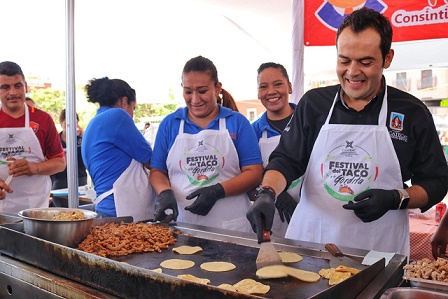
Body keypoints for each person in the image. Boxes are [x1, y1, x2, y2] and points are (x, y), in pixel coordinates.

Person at [246, 8, 448, 257]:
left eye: (365, 62)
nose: (352, 72)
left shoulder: (412, 112)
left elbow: (436, 181)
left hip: (379, 248)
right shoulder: (314, 104)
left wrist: (396, 198)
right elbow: (287, 160)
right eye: (344, 61)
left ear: (387, 58)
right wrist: (267, 193)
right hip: (312, 242)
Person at [150, 56, 263, 232]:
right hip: (182, 224)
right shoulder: (170, 124)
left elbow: (254, 172)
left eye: (202, 91)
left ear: (217, 88)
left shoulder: (237, 122)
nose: (195, 99)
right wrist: (164, 191)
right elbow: (157, 171)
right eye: (188, 91)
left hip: (230, 226)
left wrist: (218, 191)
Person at [81, 77, 154, 221]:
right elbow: (151, 161)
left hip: (106, 210)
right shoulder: (117, 116)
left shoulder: (93, 124)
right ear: (124, 101)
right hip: (119, 212)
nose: (132, 115)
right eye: (133, 109)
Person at [0, 61, 66, 213]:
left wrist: (34, 168)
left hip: (35, 207)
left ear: (26, 87)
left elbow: (60, 162)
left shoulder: (43, 119)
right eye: (5, 87)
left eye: (18, 86)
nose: (13, 92)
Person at [251, 62, 300, 237]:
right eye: (263, 87)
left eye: (278, 84)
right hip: (272, 217)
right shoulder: (253, 131)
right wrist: (274, 195)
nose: (271, 91)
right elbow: (248, 177)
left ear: (290, 87)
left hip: (309, 215)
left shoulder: (308, 123)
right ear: (258, 93)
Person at [51, 109, 88, 206]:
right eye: (67, 122)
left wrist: (82, 134)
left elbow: (89, 151)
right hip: (60, 179)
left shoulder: (81, 139)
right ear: (61, 122)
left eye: (74, 122)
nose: (70, 125)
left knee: (81, 209)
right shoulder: (56, 140)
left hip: (80, 177)